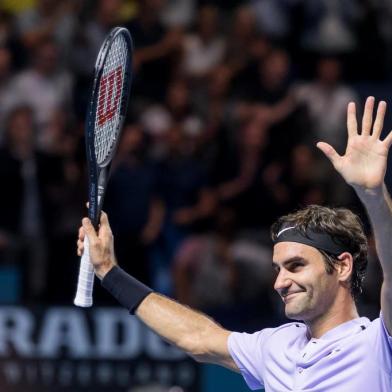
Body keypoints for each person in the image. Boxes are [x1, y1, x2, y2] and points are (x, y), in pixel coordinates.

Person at [77, 96, 392, 391]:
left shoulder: (379, 342)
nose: (281, 282)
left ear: (342, 265)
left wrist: (374, 195)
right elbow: (197, 337)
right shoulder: (275, 347)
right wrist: (108, 270)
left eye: (296, 265)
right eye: (278, 269)